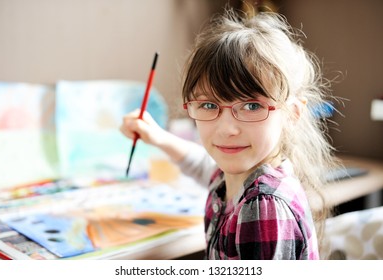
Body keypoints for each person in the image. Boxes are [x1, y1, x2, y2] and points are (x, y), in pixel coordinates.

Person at [120, 9, 338, 260]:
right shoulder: (240, 174)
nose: (226, 129)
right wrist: (157, 137)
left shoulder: (262, 208)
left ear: (292, 113)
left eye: (252, 106)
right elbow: (206, 167)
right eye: (209, 105)